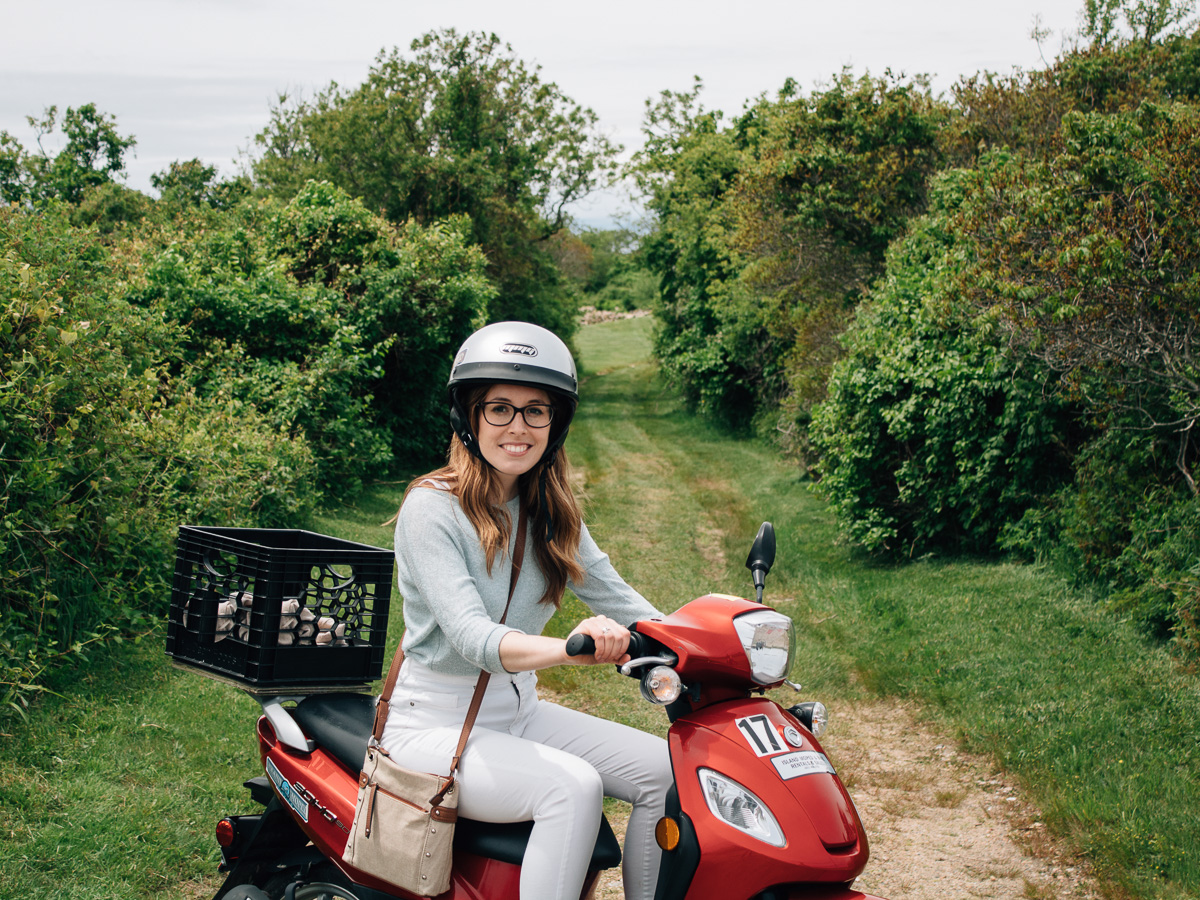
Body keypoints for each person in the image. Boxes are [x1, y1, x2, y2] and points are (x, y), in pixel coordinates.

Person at [381, 321, 672, 900]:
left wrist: (701, 643)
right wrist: (570, 649)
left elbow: (620, 598)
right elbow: (472, 636)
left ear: (555, 423)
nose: (518, 427)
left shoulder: (550, 510)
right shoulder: (430, 508)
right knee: (572, 787)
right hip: (433, 723)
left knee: (665, 772)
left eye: (536, 410)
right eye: (500, 409)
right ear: (469, 415)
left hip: (517, 711)